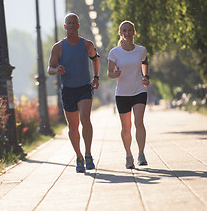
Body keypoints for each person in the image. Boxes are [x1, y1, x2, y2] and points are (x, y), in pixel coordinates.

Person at [47, 13, 100, 173]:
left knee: (85, 119)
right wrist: (57, 70)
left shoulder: (86, 44)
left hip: (84, 87)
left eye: (74, 23)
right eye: (68, 23)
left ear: (78, 26)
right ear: (65, 27)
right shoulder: (58, 47)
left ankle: (88, 153)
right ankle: (78, 156)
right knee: (73, 126)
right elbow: (50, 69)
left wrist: (96, 77)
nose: (71, 25)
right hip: (68, 90)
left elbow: (95, 58)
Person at [107, 20, 150, 169]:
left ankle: (141, 154)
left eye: (129, 30)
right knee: (126, 127)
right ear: (120, 33)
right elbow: (109, 73)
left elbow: (145, 62)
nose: (127, 33)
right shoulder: (114, 52)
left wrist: (146, 77)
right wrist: (115, 74)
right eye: (124, 30)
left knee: (139, 122)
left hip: (139, 90)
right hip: (122, 94)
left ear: (134, 32)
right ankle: (128, 155)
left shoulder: (141, 50)